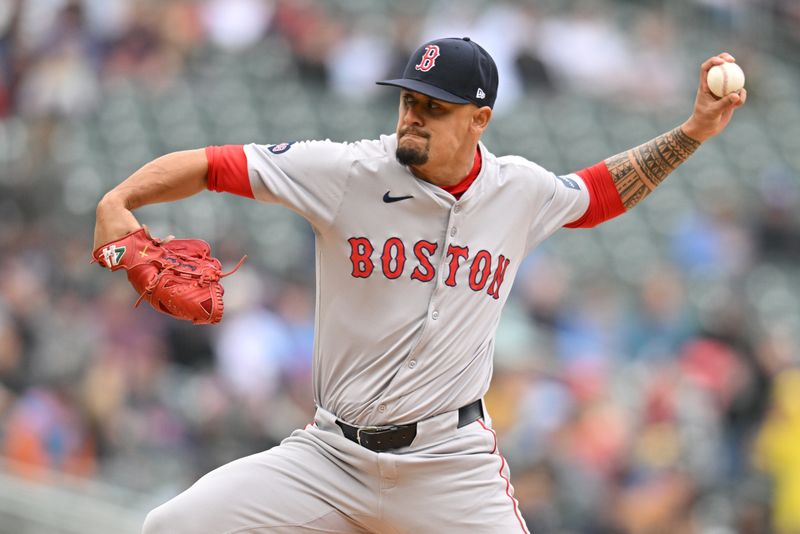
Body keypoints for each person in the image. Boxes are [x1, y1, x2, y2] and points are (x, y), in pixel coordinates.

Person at [93, 37, 745, 533]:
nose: (413, 117)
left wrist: (691, 134)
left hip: (448, 464)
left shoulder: (518, 189)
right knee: (169, 528)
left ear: (478, 120)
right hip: (329, 457)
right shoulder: (346, 172)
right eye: (409, 100)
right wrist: (120, 199)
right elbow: (214, 165)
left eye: (434, 108)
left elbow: (597, 194)